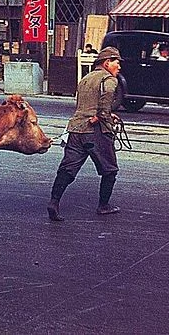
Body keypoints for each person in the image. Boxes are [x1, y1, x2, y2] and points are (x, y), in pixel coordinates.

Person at [47, 46, 123, 221]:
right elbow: (103, 107)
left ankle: (54, 202)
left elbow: (85, 105)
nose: (118, 67)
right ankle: (104, 205)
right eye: (116, 63)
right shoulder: (109, 79)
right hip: (95, 132)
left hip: (75, 129)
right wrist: (104, 116)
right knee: (110, 170)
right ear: (107, 63)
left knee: (67, 169)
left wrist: (101, 114)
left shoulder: (85, 79)